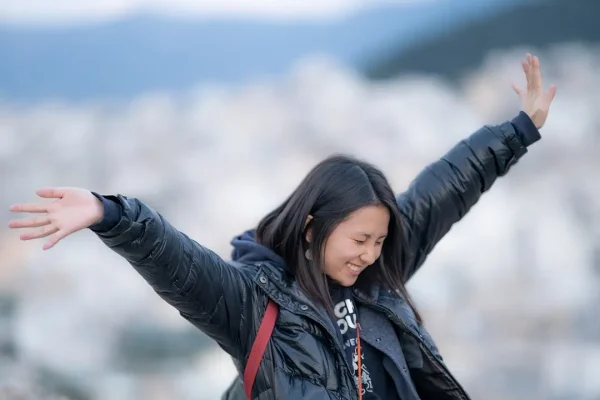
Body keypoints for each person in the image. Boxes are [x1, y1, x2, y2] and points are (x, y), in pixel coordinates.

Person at [8, 53, 556, 400]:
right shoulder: (253, 302)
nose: (371, 253)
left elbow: (444, 190)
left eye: (381, 240)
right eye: (360, 240)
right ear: (314, 228)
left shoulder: (379, 272)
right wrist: (112, 214)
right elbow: (180, 264)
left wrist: (518, 131)